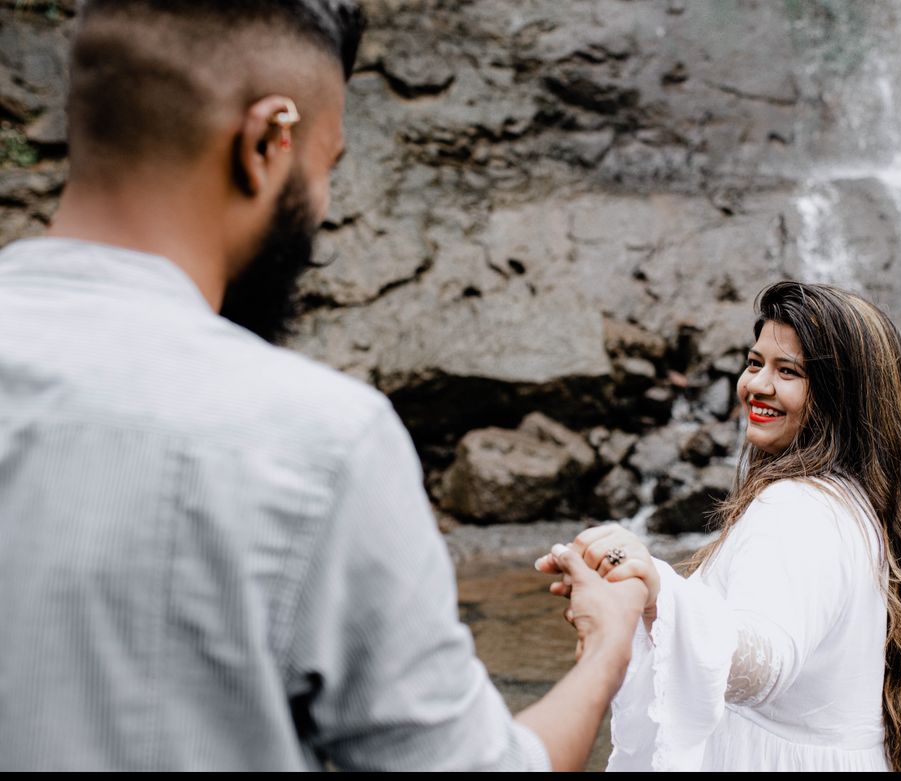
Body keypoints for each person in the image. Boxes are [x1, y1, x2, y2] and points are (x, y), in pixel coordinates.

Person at [0, 0, 647, 771]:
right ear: (269, 142)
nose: (327, 207)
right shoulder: (318, 440)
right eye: (327, 166)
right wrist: (607, 644)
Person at [538, 281, 901, 771]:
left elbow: (763, 665)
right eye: (755, 363)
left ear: (843, 397)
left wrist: (656, 591)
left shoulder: (797, 506)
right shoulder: (862, 501)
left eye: (788, 371)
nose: (755, 385)